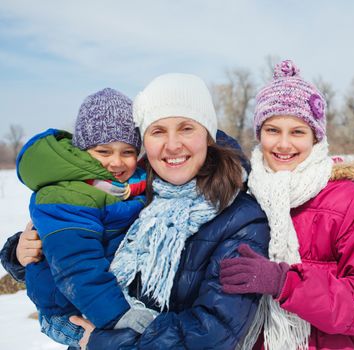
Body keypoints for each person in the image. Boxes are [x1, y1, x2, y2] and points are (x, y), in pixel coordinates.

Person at [64, 72, 268, 349]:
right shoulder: (132, 198)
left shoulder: (242, 219)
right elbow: (78, 262)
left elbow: (211, 332)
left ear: (207, 136)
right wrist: (25, 252)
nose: (172, 145)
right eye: (158, 131)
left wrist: (105, 342)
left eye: (186, 128)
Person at [219, 60, 354, 350]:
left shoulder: (349, 202)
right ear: (259, 134)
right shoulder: (243, 196)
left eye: (297, 132)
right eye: (273, 130)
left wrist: (286, 283)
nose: (284, 144)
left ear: (315, 136)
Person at [13, 87, 154, 348]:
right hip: (70, 310)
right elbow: (77, 264)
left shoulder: (125, 189)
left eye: (127, 152)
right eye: (104, 151)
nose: (116, 162)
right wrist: (117, 315)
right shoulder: (69, 193)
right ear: (83, 151)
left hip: (95, 302)